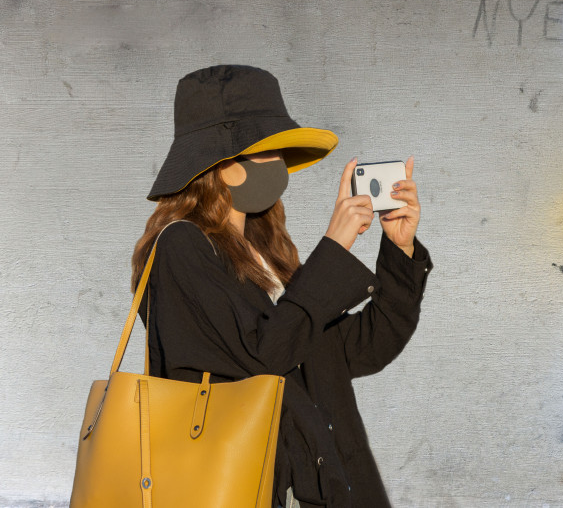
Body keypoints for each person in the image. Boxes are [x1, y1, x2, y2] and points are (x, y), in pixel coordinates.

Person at [134, 65, 432, 507]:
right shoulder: (182, 248)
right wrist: (335, 247)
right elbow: (263, 358)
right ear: (222, 164)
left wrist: (399, 252)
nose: (280, 165)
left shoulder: (265, 254)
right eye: (267, 150)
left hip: (328, 485)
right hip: (254, 490)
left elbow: (363, 349)